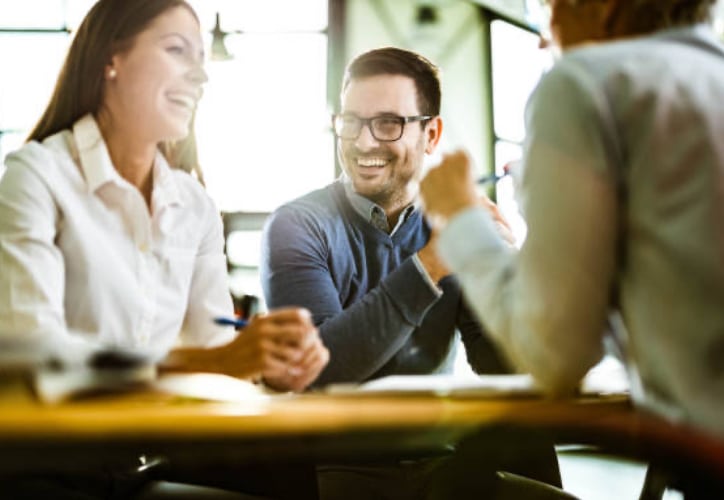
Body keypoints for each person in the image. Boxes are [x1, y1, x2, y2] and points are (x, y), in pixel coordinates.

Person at [0, 0, 326, 497]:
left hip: (143, 463)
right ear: (113, 59)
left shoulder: (193, 205)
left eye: (200, 59)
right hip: (45, 467)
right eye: (177, 50)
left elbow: (215, 353)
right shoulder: (36, 176)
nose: (199, 76)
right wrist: (216, 363)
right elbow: (35, 363)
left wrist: (271, 366)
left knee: (291, 469)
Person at [261, 47, 561, 500]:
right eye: (351, 122)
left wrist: (505, 268)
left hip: (444, 466)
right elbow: (320, 370)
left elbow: (504, 368)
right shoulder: (297, 225)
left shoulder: (449, 224)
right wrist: (436, 260)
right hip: (336, 473)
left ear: (431, 134)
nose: (363, 142)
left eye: (388, 123)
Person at [421, 0, 724, 441]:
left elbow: (553, 356)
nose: (545, 38)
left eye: (548, 11)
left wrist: (461, 217)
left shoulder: (586, 82)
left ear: (604, 6)